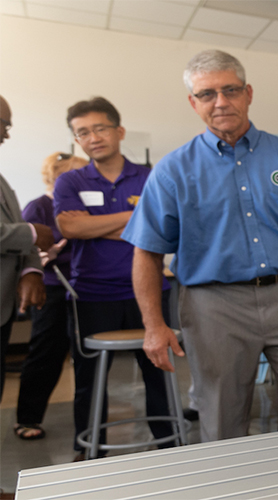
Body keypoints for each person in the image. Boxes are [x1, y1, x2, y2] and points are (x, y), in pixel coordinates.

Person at [122, 49, 278, 442]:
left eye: (230, 90)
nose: (221, 101)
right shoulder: (173, 172)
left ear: (248, 93)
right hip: (213, 307)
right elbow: (146, 251)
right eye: (207, 94)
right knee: (221, 420)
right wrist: (153, 325)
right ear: (193, 103)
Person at [54, 97, 174, 460]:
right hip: (91, 294)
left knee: (159, 372)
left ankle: (169, 444)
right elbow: (69, 226)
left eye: (100, 128)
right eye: (83, 132)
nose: (93, 137)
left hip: (150, 292)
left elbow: (166, 228)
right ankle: (87, 448)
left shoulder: (153, 176)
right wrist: (134, 217)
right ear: (77, 140)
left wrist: (95, 225)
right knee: (89, 378)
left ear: (119, 131)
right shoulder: (70, 180)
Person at [14, 153, 87, 440]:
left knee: (85, 354)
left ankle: (88, 416)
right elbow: (26, 250)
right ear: (59, 177)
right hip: (53, 287)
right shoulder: (39, 207)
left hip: (85, 287)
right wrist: (46, 254)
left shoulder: (84, 208)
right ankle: (28, 417)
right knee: (47, 351)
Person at [0, 95, 52, 400]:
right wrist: (32, 233)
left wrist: (32, 269)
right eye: (4, 125)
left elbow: (19, 226)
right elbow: (29, 231)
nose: (7, 134)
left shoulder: (3, 180)